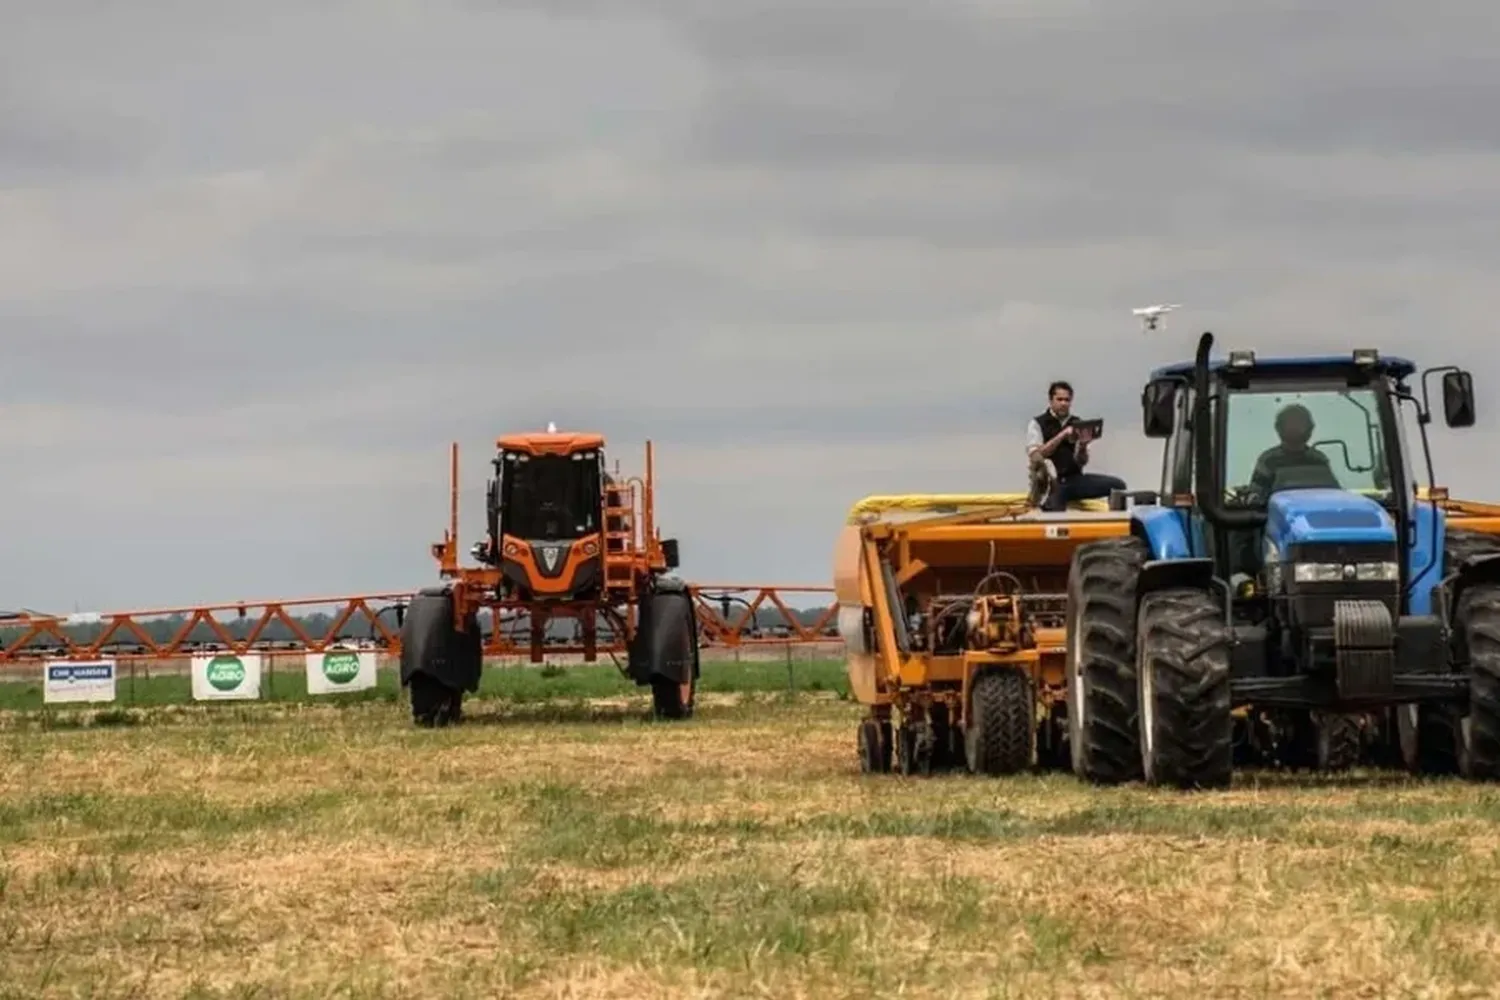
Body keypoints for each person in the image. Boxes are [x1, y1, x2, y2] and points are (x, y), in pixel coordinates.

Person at [1026, 380, 1127, 511]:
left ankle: (1118, 523)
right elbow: (1037, 454)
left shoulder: (1076, 423)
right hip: (1052, 483)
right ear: (1051, 401)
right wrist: (1062, 435)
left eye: (1067, 400)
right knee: (1054, 508)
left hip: (1074, 479)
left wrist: (1083, 445)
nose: (1063, 403)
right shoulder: (1037, 423)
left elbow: (1081, 461)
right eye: (1060, 399)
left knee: (1118, 486)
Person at [1247, 403, 1339, 495]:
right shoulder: (1268, 461)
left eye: (1300, 424)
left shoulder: (1319, 460)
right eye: (1292, 424)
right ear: (1279, 428)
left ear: (1310, 428)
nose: (1296, 428)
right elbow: (1256, 498)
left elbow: (1333, 495)